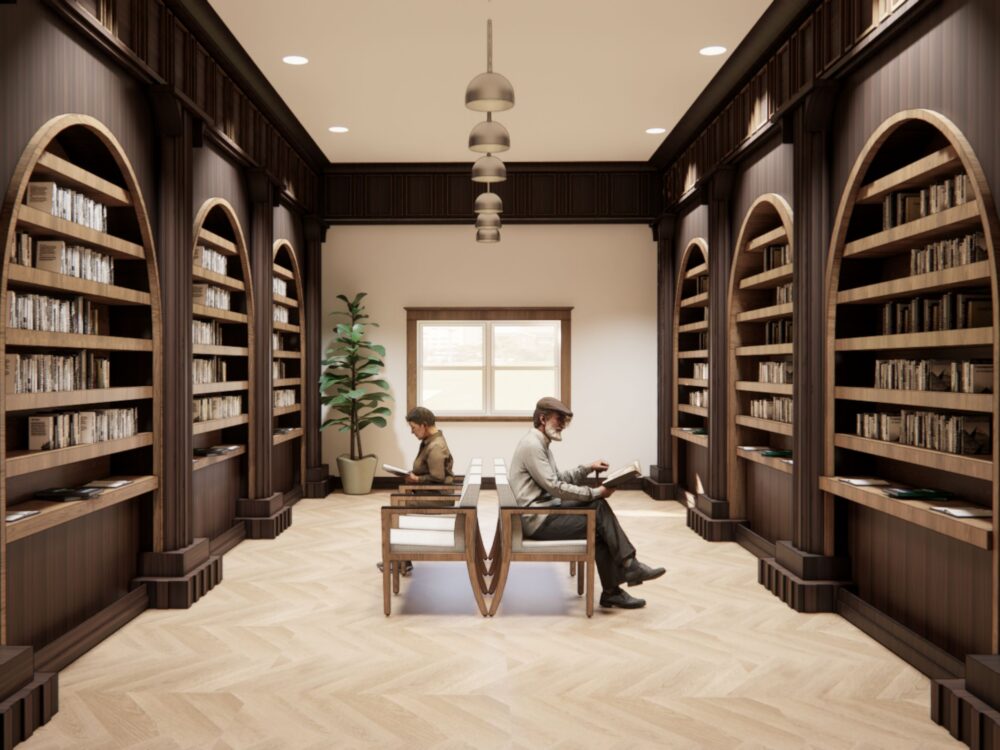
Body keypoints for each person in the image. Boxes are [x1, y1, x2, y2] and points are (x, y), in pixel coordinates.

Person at [509, 396, 665, 609]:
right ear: (543, 419)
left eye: (565, 420)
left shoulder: (539, 442)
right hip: (538, 520)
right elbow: (555, 487)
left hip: (545, 511)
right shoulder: (533, 445)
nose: (563, 425)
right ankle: (628, 567)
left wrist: (588, 468)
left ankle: (615, 587)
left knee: (600, 523)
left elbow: (558, 479)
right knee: (598, 511)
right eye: (559, 419)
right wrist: (596, 492)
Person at [377, 406, 455, 575]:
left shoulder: (435, 446)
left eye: (413, 427)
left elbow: (438, 477)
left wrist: (416, 479)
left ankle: (399, 560)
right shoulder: (430, 442)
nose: (412, 432)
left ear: (423, 425)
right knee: (398, 502)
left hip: (438, 498)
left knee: (393, 509)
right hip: (430, 494)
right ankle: (401, 560)